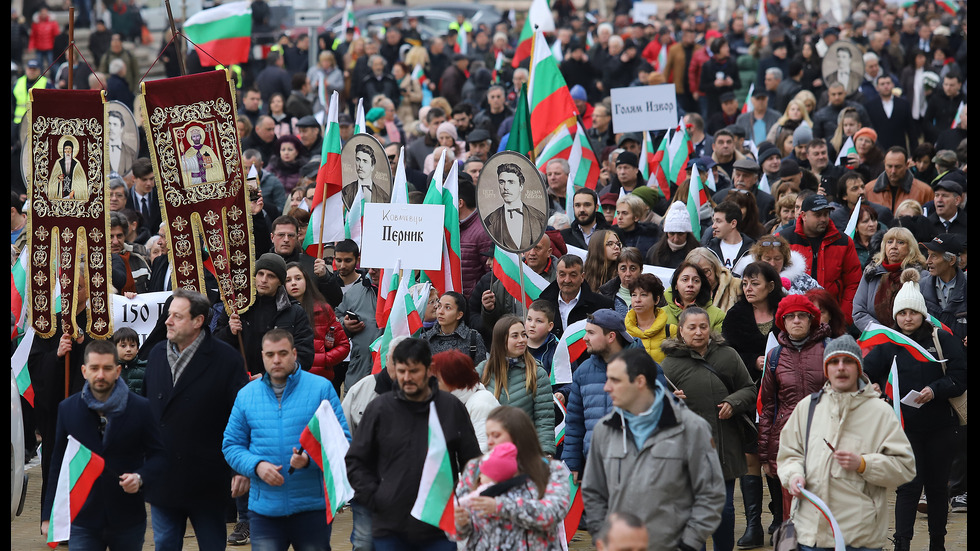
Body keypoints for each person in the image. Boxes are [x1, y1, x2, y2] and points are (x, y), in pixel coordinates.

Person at [777, 335, 916, 551]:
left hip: (859, 537)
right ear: (826, 369)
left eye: (848, 361)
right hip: (810, 534)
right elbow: (789, 454)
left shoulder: (881, 413)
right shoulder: (808, 407)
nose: (840, 367)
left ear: (859, 368)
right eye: (834, 361)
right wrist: (794, 475)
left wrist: (863, 464)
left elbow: (905, 468)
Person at [862, 270, 966, 551]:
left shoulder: (942, 339)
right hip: (904, 428)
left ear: (922, 313)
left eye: (913, 312)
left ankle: (937, 543)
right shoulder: (889, 343)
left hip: (941, 427)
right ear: (895, 316)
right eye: (902, 313)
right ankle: (902, 543)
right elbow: (865, 374)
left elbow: (960, 375)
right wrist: (873, 390)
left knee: (936, 489)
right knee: (908, 487)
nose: (907, 318)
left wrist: (936, 389)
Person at [582, 348, 726, 551]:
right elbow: (593, 491)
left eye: (615, 380)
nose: (606, 387)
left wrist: (688, 543)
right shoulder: (604, 430)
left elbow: (711, 493)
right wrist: (601, 536)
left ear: (639, 382)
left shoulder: (690, 428)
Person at [346, 338, 481, 549]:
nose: (406, 378)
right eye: (401, 371)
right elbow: (356, 460)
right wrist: (376, 497)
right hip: (390, 528)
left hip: (439, 529)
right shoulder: (379, 409)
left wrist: (463, 502)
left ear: (428, 370)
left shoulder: (450, 407)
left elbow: (472, 463)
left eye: (413, 371)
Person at [222, 329, 350, 551]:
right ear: (262, 356)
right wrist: (257, 466)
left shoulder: (320, 389)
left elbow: (341, 442)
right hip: (264, 511)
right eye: (270, 355)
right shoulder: (247, 395)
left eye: (282, 353)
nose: (276, 360)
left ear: (294, 353)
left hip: (311, 508)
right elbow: (232, 444)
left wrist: (309, 460)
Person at [142, 288, 249, 549]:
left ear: (198, 321)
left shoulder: (226, 360)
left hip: (207, 480)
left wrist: (240, 469)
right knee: (165, 543)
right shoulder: (156, 354)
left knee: (212, 544)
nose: (167, 321)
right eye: (169, 315)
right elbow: (147, 412)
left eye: (177, 316)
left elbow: (241, 420)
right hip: (163, 478)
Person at [39, 339, 165, 549]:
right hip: (82, 519)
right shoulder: (68, 409)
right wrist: (47, 515)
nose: (100, 375)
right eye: (94, 368)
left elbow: (159, 456)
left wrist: (141, 478)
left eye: (107, 368)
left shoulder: (140, 408)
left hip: (127, 518)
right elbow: (57, 464)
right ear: (83, 370)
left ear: (117, 371)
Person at [661, 307, 757, 551]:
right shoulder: (669, 365)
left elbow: (749, 389)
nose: (698, 332)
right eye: (691, 327)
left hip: (725, 445)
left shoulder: (728, 355)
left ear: (710, 328)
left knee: (723, 509)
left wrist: (732, 403)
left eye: (703, 326)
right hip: (687, 451)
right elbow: (654, 407)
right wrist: (670, 400)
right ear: (680, 331)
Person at [757, 295, 832, 522]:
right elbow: (768, 407)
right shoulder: (775, 357)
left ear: (812, 320)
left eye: (802, 316)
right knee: (793, 510)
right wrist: (765, 454)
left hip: (827, 441)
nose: (796, 321)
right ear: (783, 322)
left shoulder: (831, 350)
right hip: (788, 443)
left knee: (826, 509)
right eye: (790, 317)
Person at [454, 406, 572, 549]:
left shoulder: (551, 470)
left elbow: (551, 513)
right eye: (488, 436)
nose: (489, 442)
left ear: (518, 436)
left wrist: (500, 506)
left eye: (496, 435)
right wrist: (460, 522)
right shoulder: (475, 468)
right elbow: (457, 533)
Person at [562, 309, 637, 478]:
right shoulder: (582, 372)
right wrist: (572, 463)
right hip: (594, 467)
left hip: (635, 468)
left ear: (611, 337)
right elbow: (574, 422)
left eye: (591, 333)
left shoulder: (645, 369)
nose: (585, 338)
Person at [214, 253, 314, 375]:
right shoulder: (237, 307)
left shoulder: (294, 312)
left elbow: (304, 356)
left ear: (280, 282)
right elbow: (215, 346)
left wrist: (268, 377)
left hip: (278, 387)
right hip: (239, 382)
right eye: (260, 274)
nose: (264, 280)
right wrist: (229, 332)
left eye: (271, 276)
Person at [476, 316, 556, 455]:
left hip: (524, 454)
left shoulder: (537, 373)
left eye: (523, 335)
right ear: (501, 340)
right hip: (489, 454)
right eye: (515, 336)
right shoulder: (483, 370)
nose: (522, 340)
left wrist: (546, 454)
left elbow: (544, 420)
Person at [778, 194, 861, 325]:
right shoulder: (783, 240)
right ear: (803, 215)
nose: (823, 219)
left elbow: (853, 283)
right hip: (793, 319)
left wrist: (842, 317)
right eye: (818, 215)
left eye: (826, 214)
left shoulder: (844, 242)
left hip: (831, 319)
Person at [284, 262, 350, 387]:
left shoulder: (323, 309)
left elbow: (344, 345)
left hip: (319, 382)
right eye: (288, 280)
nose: (293, 283)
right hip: (289, 382)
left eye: (298, 278)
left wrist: (323, 359)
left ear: (306, 281)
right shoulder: (279, 312)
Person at [851, 227, 926, 332]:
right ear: (884, 246)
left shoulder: (921, 276)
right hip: (876, 338)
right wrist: (883, 333)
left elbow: (927, 313)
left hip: (912, 339)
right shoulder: (871, 273)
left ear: (911, 248)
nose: (894, 246)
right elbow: (859, 312)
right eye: (889, 242)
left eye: (900, 242)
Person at [430, 350, 499, 453]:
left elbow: (484, 451)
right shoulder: (452, 402)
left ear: (453, 379)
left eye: (437, 380)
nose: (432, 384)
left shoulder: (480, 403)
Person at [334, 239, 381, 389]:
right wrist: (345, 324)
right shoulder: (355, 291)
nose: (371, 271)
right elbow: (337, 317)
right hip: (359, 372)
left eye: (377, 267)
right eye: (369, 266)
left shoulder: (402, 293)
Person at [539, 254, 613, 335]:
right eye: (562, 275)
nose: (567, 280)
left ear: (582, 277)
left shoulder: (602, 305)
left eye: (573, 275)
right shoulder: (541, 305)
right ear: (557, 276)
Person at [482, 162, 548, 251]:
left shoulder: (539, 218)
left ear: (521, 186)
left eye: (511, 182)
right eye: (502, 182)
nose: (505, 187)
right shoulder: (489, 221)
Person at [919, 234, 967, 345]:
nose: (927, 261)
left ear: (951, 260)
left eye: (934, 256)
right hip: (932, 355)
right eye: (928, 255)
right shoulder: (921, 286)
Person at [744, 234, 822, 296]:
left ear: (785, 259)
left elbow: (823, 298)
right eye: (768, 259)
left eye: (777, 259)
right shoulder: (748, 279)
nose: (772, 263)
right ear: (759, 259)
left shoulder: (803, 280)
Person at [422, 291, 487, 364]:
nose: (440, 312)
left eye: (448, 308)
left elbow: (480, 372)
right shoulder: (426, 338)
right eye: (439, 306)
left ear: (459, 315)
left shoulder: (473, 338)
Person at [863, 147, 934, 213]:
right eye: (889, 166)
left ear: (907, 165)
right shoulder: (868, 190)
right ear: (884, 164)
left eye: (898, 167)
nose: (893, 171)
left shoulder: (924, 192)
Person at [663, 261, 726, 331]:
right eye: (685, 279)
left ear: (701, 285)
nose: (690, 284)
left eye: (696, 280)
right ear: (675, 285)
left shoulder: (717, 316)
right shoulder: (661, 314)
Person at [686, 247, 743, 312]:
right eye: (697, 274)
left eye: (706, 271)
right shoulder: (686, 292)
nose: (703, 277)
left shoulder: (737, 286)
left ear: (715, 267)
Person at [706, 201, 756, 274]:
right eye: (714, 221)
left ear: (733, 223)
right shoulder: (709, 250)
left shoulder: (753, 250)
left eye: (718, 221)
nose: (713, 226)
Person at [646, 202, 700, 268]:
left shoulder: (698, 254)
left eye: (680, 234)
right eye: (671, 233)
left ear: (687, 233)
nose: (676, 239)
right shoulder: (654, 252)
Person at [597, 247, 645, 316]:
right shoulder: (604, 295)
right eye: (623, 269)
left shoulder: (652, 294)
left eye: (633, 268)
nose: (628, 273)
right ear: (617, 271)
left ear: (641, 270)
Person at [343, 143, 391, 209]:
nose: (360, 165)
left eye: (365, 161)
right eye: (358, 160)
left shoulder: (384, 197)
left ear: (372, 166)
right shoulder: (345, 191)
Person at [113, 327, 146, 394]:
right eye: (123, 346)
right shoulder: (109, 370)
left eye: (132, 345)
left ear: (137, 348)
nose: (128, 349)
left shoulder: (146, 369)